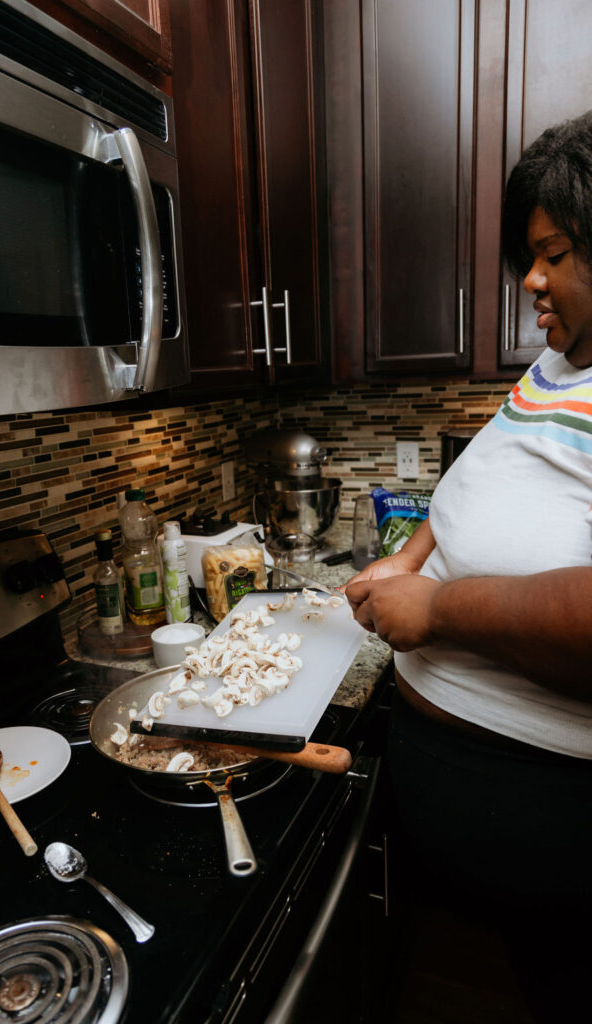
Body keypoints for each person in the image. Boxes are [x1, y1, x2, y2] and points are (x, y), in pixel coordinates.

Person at [344, 110, 592, 1023]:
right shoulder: (554, 368)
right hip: (481, 840)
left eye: (555, 252)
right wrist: (402, 560)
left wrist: (438, 612)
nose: (530, 278)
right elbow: (469, 487)